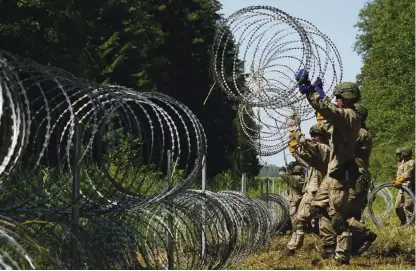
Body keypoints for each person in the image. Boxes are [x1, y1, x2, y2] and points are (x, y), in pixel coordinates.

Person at [295, 69, 361, 264]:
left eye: (338, 97)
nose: (337, 100)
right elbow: (330, 116)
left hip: (340, 174)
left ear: (345, 98)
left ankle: (343, 256)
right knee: (317, 208)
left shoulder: (348, 116)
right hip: (333, 173)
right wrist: (320, 94)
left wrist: (310, 93)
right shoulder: (346, 118)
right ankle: (330, 247)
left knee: (339, 217)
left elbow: (329, 111)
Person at [285, 124, 332, 256]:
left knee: (300, 218)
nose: (313, 138)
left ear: (323, 137)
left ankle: (292, 247)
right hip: (314, 190)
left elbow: (309, 147)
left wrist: (296, 132)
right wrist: (295, 148)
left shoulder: (324, 148)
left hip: (316, 192)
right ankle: (331, 245)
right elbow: (306, 157)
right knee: (321, 221)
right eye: (312, 136)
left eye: (316, 135)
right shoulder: (317, 154)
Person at [280, 161, 306, 232]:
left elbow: (281, 174)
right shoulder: (304, 178)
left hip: (294, 200)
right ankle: (304, 228)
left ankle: (296, 230)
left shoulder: (292, 178)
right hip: (302, 199)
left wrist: (283, 169)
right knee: (302, 215)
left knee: (293, 215)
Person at [393, 147, 415, 225]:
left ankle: (411, 224)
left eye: (406, 155)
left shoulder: (411, 162)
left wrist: (399, 181)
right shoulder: (401, 162)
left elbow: (407, 175)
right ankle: (403, 222)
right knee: (398, 206)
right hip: (401, 188)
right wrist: (396, 181)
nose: (404, 156)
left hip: (410, 188)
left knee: (408, 206)